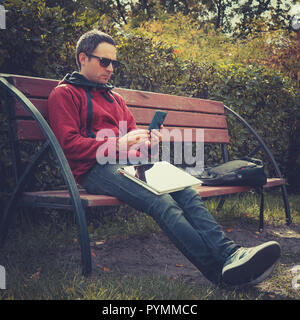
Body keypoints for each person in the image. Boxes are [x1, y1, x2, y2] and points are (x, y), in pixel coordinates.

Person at [47, 29, 281, 287]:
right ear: (83, 58)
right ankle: (221, 274)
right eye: (104, 61)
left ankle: (231, 254)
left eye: (114, 62)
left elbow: (134, 144)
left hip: (129, 164)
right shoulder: (64, 94)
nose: (111, 68)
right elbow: (69, 145)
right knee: (162, 203)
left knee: (186, 193)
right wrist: (117, 143)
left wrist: (147, 145)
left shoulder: (115, 99)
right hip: (95, 169)